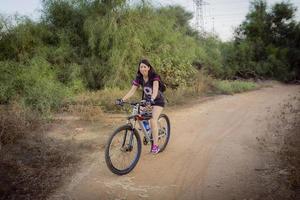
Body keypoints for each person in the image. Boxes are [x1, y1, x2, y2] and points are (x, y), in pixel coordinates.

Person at [117, 59, 165, 154]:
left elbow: (155, 90)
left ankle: (155, 146)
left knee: (152, 120)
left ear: (148, 68)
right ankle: (148, 130)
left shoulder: (154, 76)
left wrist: (152, 100)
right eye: (141, 67)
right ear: (139, 69)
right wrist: (122, 99)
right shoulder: (139, 77)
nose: (143, 68)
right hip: (147, 101)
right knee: (138, 115)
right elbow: (132, 91)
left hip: (157, 101)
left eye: (144, 66)